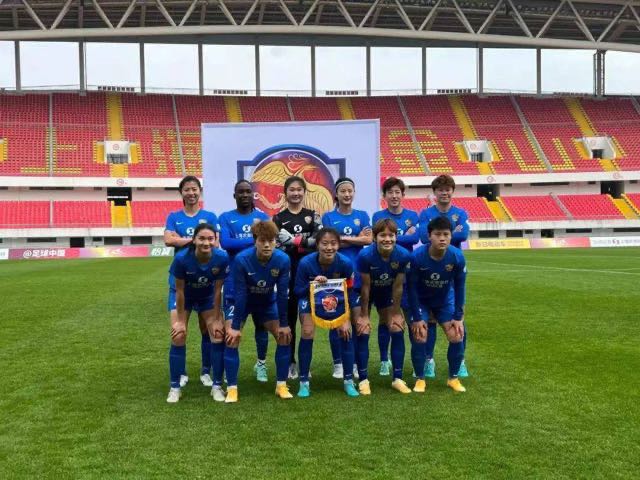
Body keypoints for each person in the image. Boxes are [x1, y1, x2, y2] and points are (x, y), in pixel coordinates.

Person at [223, 221, 293, 402]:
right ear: (255, 241)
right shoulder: (242, 259)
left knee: (284, 337)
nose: (267, 245)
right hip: (240, 302)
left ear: (276, 241)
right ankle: (232, 388)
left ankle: (281, 385)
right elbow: (240, 294)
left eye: (271, 240)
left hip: (266, 302)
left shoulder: (283, 260)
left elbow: (282, 294)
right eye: (262, 241)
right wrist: (235, 326)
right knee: (231, 338)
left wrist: (284, 324)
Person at [164, 176, 220, 389]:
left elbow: (215, 244)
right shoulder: (173, 216)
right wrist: (196, 239)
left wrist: (182, 240)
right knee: (179, 331)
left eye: (194, 189)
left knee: (208, 329)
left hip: (205, 284)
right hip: (180, 283)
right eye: (187, 189)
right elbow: (168, 240)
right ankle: (180, 374)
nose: (191, 193)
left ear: (199, 191)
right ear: (181, 193)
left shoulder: (210, 216)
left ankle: (206, 371)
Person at [294, 227, 360, 398]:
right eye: (324, 243)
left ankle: (348, 380)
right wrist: (314, 284)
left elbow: (350, 292)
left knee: (345, 331)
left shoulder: (345, 263)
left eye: (333, 243)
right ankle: (304, 382)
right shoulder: (306, 263)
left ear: (338, 245)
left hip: (337, 301)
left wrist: (346, 318)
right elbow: (298, 291)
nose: (329, 247)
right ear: (317, 245)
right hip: (310, 300)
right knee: (307, 331)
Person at [166, 223, 228, 403]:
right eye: (201, 238)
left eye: (210, 239)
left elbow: (217, 291)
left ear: (215, 240)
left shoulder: (221, 257)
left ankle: (217, 386)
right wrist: (179, 321)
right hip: (184, 296)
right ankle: (175, 387)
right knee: (178, 335)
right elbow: (179, 291)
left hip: (207, 296)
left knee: (218, 334)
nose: (206, 243)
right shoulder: (182, 259)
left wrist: (217, 318)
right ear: (194, 240)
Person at [417, 174, 470, 378]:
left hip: (452, 270)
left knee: (458, 315)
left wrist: (446, 235)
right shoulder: (425, 213)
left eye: (448, 189)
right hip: (431, 268)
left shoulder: (460, 212)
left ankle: (460, 361)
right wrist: (452, 232)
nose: (444, 193)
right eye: (440, 189)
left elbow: (463, 234)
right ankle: (428, 360)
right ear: (435, 193)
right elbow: (423, 237)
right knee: (429, 317)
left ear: (452, 191)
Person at [219, 180, 271, 383]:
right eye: (240, 192)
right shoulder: (225, 217)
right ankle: (229, 369)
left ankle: (261, 364)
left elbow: (268, 244)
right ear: (235, 195)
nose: (244, 195)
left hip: (259, 280)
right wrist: (255, 239)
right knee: (233, 328)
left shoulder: (263, 217)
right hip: (234, 282)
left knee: (261, 326)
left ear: (253, 194)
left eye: (248, 191)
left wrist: (243, 242)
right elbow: (226, 243)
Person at [408, 216, 467, 394]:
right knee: (420, 336)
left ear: (451, 236)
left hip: (444, 301)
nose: (442, 238)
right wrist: (417, 317)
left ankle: (453, 378)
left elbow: (460, 287)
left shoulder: (457, 257)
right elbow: (411, 289)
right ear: (429, 236)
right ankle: (420, 379)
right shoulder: (417, 257)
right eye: (438, 234)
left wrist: (458, 316)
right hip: (422, 301)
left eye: (446, 234)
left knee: (457, 335)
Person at [321, 177, 372, 380]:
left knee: (356, 321)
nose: (347, 194)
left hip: (357, 276)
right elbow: (329, 243)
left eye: (350, 190)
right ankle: (338, 364)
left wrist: (342, 238)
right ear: (336, 194)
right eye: (343, 191)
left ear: (354, 193)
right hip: (334, 276)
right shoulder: (328, 217)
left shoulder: (362, 215)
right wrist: (356, 239)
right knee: (335, 321)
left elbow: (368, 239)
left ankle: (357, 364)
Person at [273, 176, 322, 380]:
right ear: (285, 193)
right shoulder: (278, 218)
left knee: (307, 323)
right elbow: (277, 246)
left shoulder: (313, 215)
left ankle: (304, 365)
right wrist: (304, 242)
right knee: (289, 319)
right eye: (292, 190)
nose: (295, 193)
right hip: (287, 274)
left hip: (310, 274)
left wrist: (293, 241)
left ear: (304, 192)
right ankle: (290, 362)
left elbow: (319, 241)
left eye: (299, 189)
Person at [357, 219, 412, 394]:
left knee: (397, 328)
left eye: (391, 235)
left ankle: (397, 378)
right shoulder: (365, 255)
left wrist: (396, 313)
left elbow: (398, 286)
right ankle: (363, 380)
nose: (387, 239)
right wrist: (364, 315)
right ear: (375, 237)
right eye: (382, 235)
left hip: (386, 291)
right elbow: (365, 287)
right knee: (363, 330)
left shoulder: (403, 255)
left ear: (396, 237)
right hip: (364, 292)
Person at [372, 177, 419, 376]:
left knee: (410, 319)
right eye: (390, 192)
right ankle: (384, 360)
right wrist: (403, 236)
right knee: (385, 319)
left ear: (403, 195)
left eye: (397, 192)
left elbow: (415, 238)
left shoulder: (412, 215)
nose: (394, 196)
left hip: (406, 274)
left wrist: (391, 238)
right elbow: (378, 241)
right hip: (384, 275)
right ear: (384, 196)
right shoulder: (377, 216)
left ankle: (419, 361)